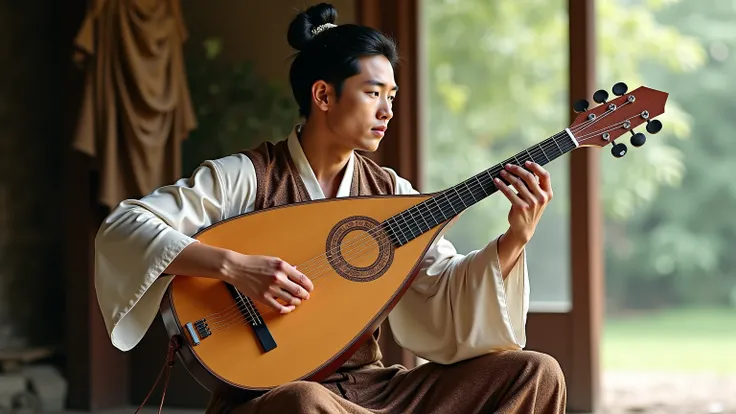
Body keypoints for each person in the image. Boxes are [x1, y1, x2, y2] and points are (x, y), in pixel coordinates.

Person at [95, 3, 566, 413]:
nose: (388, 111)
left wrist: (513, 240)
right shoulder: (246, 175)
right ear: (323, 95)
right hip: (273, 397)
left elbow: (443, 295)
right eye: (373, 93)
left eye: (392, 97)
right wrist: (236, 267)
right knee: (305, 402)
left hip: (373, 390)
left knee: (536, 372)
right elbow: (125, 226)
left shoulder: (390, 191)